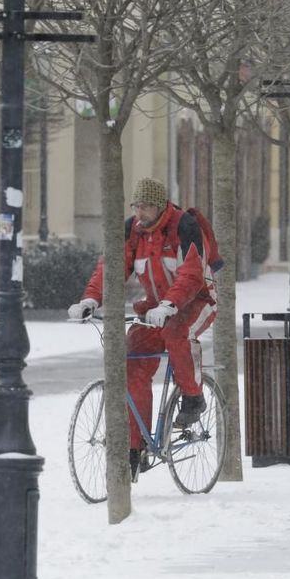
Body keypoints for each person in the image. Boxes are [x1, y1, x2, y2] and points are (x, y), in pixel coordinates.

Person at [68, 177, 218, 478]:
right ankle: (134, 449)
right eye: (137, 206)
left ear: (161, 205)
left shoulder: (183, 227)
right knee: (132, 362)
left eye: (147, 206)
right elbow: (109, 270)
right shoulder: (132, 232)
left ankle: (193, 397)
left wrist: (170, 305)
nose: (140, 213)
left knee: (178, 335)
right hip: (156, 308)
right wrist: (90, 300)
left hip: (197, 301)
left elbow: (191, 274)